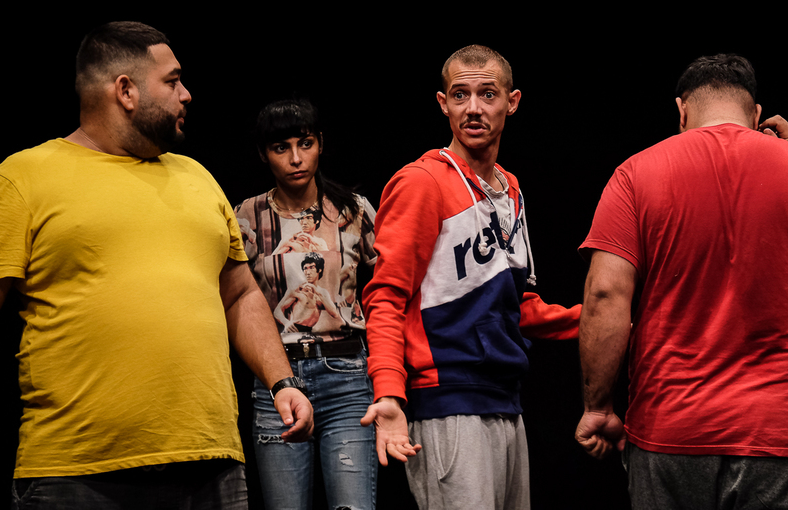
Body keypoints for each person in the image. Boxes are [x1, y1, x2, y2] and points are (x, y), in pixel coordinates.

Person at [0, 21, 313, 510]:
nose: (186, 94)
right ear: (126, 91)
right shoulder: (23, 178)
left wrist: (281, 382)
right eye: (172, 81)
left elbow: (240, 294)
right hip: (78, 474)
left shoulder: (197, 176)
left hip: (211, 467)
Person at [359, 44, 582, 510]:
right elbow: (385, 297)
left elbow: (518, 307)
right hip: (448, 401)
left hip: (506, 401)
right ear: (444, 104)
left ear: (512, 102)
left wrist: (602, 320)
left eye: (488, 94)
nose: (473, 108)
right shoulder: (422, 182)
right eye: (460, 95)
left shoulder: (510, 190)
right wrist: (389, 394)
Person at [575, 53, 788, 509]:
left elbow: (605, 295)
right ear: (756, 114)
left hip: (670, 427)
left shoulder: (635, 174)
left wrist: (598, 407)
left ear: (681, 110)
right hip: (775, 431)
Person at [234, 98, 379, 510]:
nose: (296, 158)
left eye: (306, 143)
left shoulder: (352, 210)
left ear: (321, 144)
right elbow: (233, 297)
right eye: (281, 147)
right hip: (277, 377)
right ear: (263, 153)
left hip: (347, 375)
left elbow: (388, 289)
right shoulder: (247, 216)